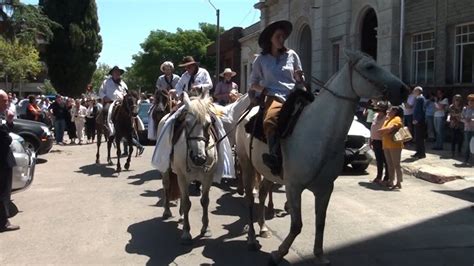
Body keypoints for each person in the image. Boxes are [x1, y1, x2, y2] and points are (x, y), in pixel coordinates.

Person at [249, 20, 304, 175]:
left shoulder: (292, 55)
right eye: (278, 36)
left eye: (283, 36)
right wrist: (263, 90)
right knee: (270, 120)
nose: (282, 39)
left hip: (294, 95)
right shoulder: (261, 59)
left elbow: (298, 76)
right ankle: (275, 156)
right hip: (274, 96)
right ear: (270, 39)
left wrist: (300, 77)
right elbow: (252, 83)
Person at [0, 89, 20, 232]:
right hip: (2, 160)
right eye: (4, 101)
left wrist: (9, 122)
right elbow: (5, 138)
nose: (7, 103)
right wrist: (7, 123)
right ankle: (3, 222)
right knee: (3, 191)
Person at [378, 106, 404, 190]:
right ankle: (391, 181)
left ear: (395, 111)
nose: (388, 112)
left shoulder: (397, 118)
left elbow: (392, 127)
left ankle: (399, 182)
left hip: (394, 145)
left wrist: (382, 130)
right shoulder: (388, 119)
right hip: (386, 144)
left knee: (396, 164)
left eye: (390, 110)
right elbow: (384, 129)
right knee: (389, 164)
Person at [98, 66, 128, 136]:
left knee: (131, 112)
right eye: (116, 72)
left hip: (122, 103)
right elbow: (101, 92)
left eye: (119, 72)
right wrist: (105, 97)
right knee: (107, 111)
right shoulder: (106, 82)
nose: (118, 73)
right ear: (112, 73)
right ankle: (107, 126)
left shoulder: (123, 83)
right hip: (110, 102)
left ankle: (134, 128)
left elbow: (127, 93)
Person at [370, 101, 389, 184]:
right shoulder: (375, 116)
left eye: (379, 108)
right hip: (375, 140)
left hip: (384, 141)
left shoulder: (387, 117)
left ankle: (387, 177)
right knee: (379, 160)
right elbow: (372, 127)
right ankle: (379, 176)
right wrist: (371, 139)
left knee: (386, 160)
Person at [412, 86, 426, 159]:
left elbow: (421, 111)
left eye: (415, 91)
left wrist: (417, 119)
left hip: (419, 121)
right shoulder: (418, 98)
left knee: (420, 137)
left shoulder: (420, 98)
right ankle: (418, 152)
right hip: (417, 120)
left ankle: (421, 153)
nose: (413, 92)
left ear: (418, 91)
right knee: (417, 137)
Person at [461, 94, 474, 163]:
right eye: (469, 100)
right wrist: (465, 120)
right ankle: (466, 159)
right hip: (466, 129)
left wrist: (472, 120)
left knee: (473, 145)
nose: (470, 102)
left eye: (472, 100)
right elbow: (461, 118)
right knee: (467, 145)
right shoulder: (465, 109)